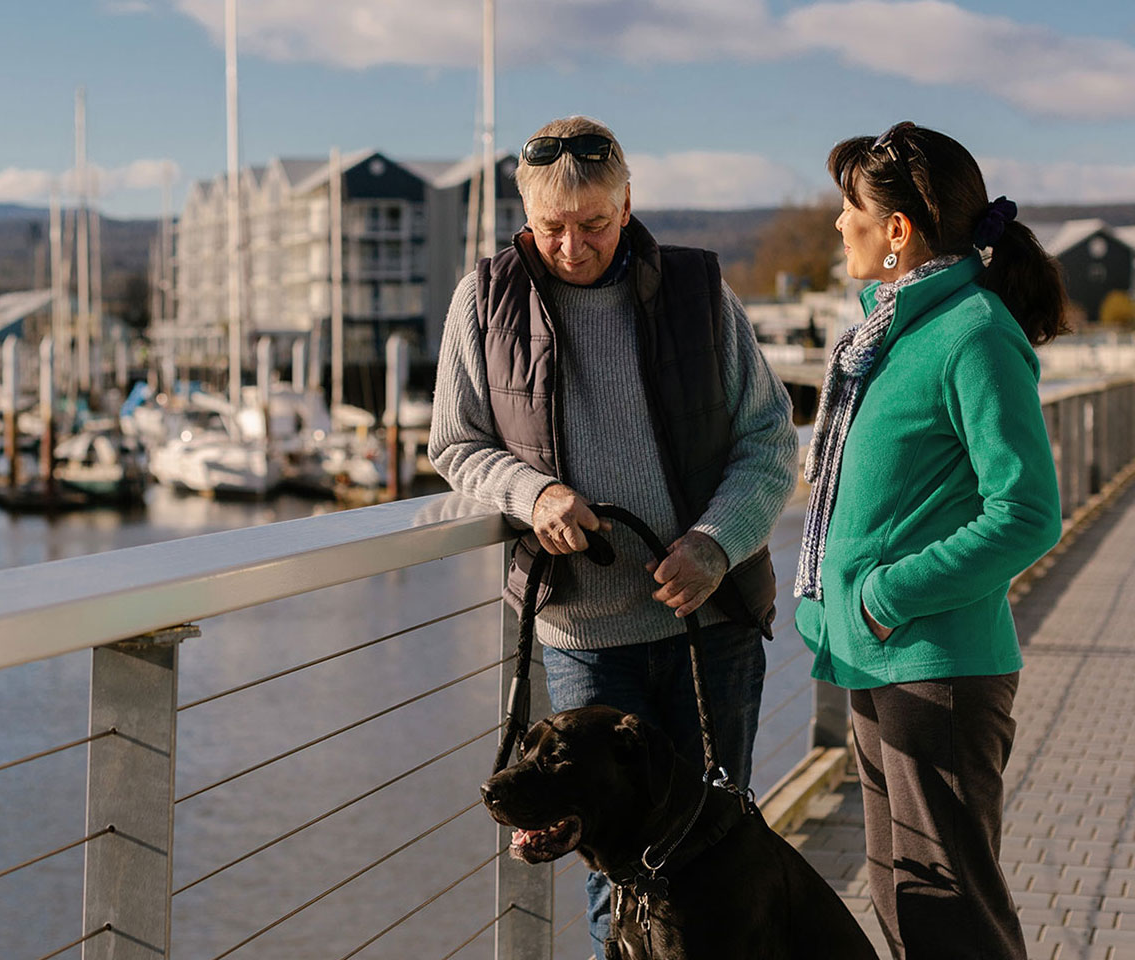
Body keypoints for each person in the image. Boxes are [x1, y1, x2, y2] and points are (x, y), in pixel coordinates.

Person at [429, 115, 798, 954]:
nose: (572, 246)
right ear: (524, 213)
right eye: (552, 227)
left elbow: (770, 439)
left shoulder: (703, 293)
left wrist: (715, 541)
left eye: (593, 224)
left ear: (627, 204)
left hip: (710, 627)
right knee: (610, 865)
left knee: (713, 854)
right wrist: (533, 492)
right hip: (587, 638)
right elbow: (454, 442)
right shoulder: (483, 297)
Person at [795, 121, 1066, 960]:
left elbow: (1027, 513)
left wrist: (880, 597)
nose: (839, 225)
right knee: (903, 890)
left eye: (851, 209)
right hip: (884, 661)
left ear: (898, 232)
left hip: (937, 667)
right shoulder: (889, 334)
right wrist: (834, 606)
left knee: (952, 913)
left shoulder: (973, 334)